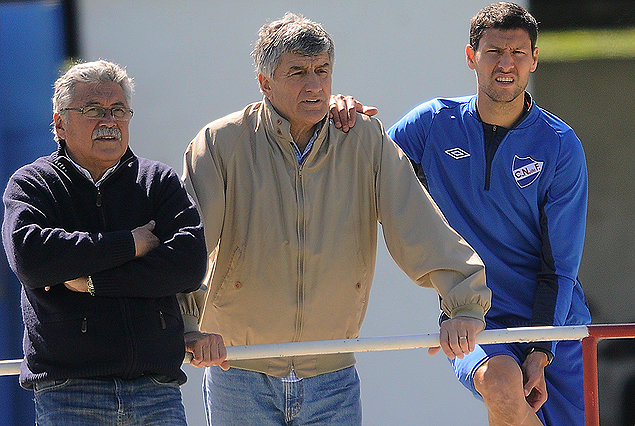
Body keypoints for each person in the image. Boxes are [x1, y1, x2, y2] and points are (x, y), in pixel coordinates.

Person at [177, 12, 491, 426]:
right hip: (238, 369)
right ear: (264, 82)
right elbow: (188, 243)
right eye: (298, 72)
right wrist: (185, 323)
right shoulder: (219, 143)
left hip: (333, 375)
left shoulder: (364, 139)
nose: (315, 84)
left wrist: (463, 305)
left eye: (322, 70)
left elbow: (419, 223)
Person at [331, 2, 591, 425]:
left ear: (534, 60)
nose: (505, 65)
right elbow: (367, 170)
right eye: (493, 52)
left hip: (557, 325)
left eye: (518, 54)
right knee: (503, 385)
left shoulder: (560, 144)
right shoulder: (433, 123)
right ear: (471, 57)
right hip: (473, 315)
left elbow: (559, 265)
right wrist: (345, 116)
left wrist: (541, 350)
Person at [2, 60, 207, 426]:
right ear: (60, 123)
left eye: (118, 111)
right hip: (69, 392)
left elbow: (189, 265)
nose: (109, 121)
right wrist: (130, 244)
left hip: (155, 390)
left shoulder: (157, 181)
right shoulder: (33, 183)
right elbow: (32, 259)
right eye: (93, 110)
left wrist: (94, 281)